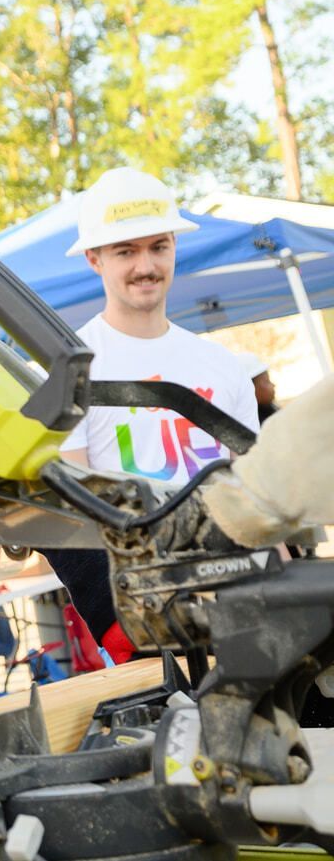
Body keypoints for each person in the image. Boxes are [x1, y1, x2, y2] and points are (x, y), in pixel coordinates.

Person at [53, 166, 261, 661]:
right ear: (94, 259)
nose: (145, 265)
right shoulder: (71, 370)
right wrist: (120, 626)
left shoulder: (222, 367)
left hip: (240, 596)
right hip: (143, 616)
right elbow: (69, 517)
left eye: (158, 247)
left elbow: (254, 493)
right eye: (125, 250)